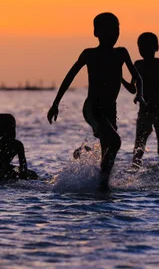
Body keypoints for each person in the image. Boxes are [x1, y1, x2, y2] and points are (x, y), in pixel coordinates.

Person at [47, 12, 143, 191]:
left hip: (110, 109)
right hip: (92, 108)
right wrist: (55, 104)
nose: (113, 35)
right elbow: (69, 77)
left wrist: (139, 94)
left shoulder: (121, 53)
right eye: (108, 31)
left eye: (116, 30)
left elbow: (137, 77)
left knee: (109, 147)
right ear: (96, 33)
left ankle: (100, 182)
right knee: (114, 141)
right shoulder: (89, 54)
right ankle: (101, 185)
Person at [122, 32, 159, 169]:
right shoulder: (138, 65)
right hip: (146, 112)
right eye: (141, 47)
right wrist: (120, 78)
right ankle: (137, 172)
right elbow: (133, 89)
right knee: (139, 148)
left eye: (146, 47)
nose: (143, 50)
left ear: (156, 47)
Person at [0, 113, 38, 183]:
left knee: (33, 174)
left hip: (3, 168)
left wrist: (23, 180)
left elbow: (23, 169)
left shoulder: (17, 145)